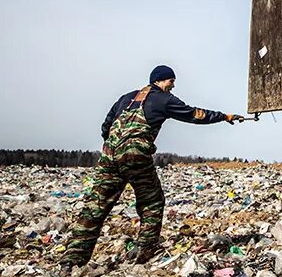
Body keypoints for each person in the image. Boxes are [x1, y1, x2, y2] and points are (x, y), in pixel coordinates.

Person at [63, 65, 241, 266]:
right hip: (135, 156)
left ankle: (71, 260)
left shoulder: (125, 98)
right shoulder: (164, 99)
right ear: (159, 80)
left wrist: (115, 147)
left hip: (109, 156)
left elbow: (106, 127)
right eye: (171, 81)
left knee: (95, 206)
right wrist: (224, 116)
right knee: (151, 201)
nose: (173, 86)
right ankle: (144, 250)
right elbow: (194, 114)